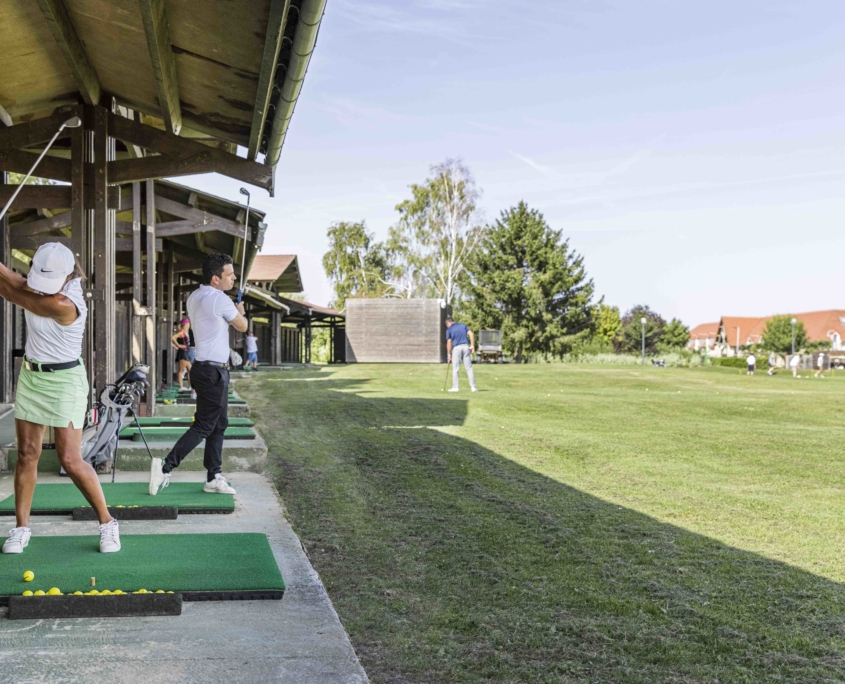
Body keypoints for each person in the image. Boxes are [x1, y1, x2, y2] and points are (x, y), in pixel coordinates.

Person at [0, 243, 120, 554]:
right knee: (27, 454)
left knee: (70, 458)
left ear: (67, 275)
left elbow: (13, 292)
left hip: (65, 380)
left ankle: (107, 523)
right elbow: (15, 280)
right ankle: (21, 528)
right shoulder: (47, 285)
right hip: (31, 377)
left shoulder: (67, 303)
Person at [149, 253, 247, 496]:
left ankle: (213, 476)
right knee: (205, 425)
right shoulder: (220, 299)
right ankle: (165, 466)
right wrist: (240, 311)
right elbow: (242, 326)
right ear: (215, 279)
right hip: (213, 371)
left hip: (204, 369)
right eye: (229, 274)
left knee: (218, 424)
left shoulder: (194, 296)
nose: (234, 277)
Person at [445, 316, 477, 392]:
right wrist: (472, 346)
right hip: (466, 347)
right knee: (469, 367)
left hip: (457, 348)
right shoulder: (463, 326)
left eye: (447, 325)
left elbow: (449, 342)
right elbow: (471, 334)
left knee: (455, 368)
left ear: (448, 323)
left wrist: (449, 355)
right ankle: (473, 387)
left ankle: (455, 387)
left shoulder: (449, 329)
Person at [171, 318, 192, 392]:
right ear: (185, 324)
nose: (189, 325)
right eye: (188, 323)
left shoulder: (186, 332)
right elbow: (173, 337)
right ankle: (181, 386)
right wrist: (179, 345)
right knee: (181, 370)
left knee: (190, 370)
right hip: (182, 352)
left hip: (186, 352)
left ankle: (190, 386)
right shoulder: (182, 332)